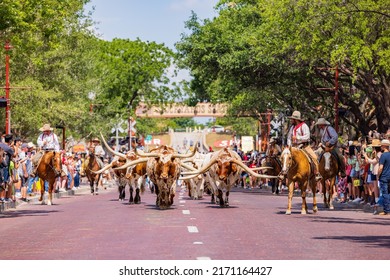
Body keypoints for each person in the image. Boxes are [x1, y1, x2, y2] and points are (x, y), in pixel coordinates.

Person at [286, 111, 322, 181]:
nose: (291, 120)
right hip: (294, 147)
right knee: (285, 157)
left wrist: (297, 138)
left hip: (304, 146)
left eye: (292, 119)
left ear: (296, 119)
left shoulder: (304, 126)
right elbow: (289, 137)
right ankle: (284, 172)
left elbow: (307, 137)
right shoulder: (292, 127)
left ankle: (317, 173)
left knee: (314, 157)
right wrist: (289, 145)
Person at [377, 139, 390, 215]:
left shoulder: (383, 155)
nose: (381, 147)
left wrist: (378, 175)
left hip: (384, 177)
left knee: (385, 194)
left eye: (381, 145)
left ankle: (387, 211)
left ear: (384, 146)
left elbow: (381, 167)